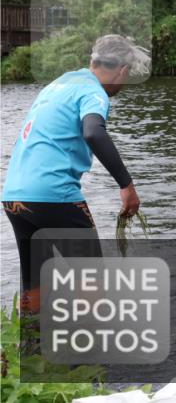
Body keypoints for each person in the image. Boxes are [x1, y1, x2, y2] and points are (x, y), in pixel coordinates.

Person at [3, 34, 149, 314]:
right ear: (123, 70)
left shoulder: (59, 84)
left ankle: (29, 352)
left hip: (15, 197)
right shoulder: (93, 91)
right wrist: (127, 186)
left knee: (35, 286)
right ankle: (92, 354)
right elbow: (93, 131)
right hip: (54, 196)